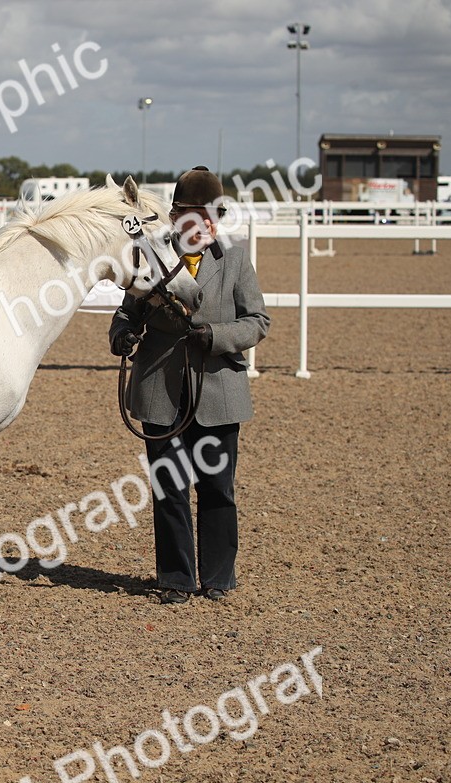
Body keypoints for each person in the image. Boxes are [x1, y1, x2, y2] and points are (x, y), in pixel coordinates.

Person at [108, 166, 270, 604]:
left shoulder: (234, 258)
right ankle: (176, 578)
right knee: (170, 487)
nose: (209, 224)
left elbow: (258, 321)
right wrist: (121, 334)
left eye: (215, 215)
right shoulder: (154, 255)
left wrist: (217, 337)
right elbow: (127, 311)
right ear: (178, 217)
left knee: (218, 488)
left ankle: (218, 576)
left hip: (218, 391)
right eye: (199, 216)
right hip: (161, 388)